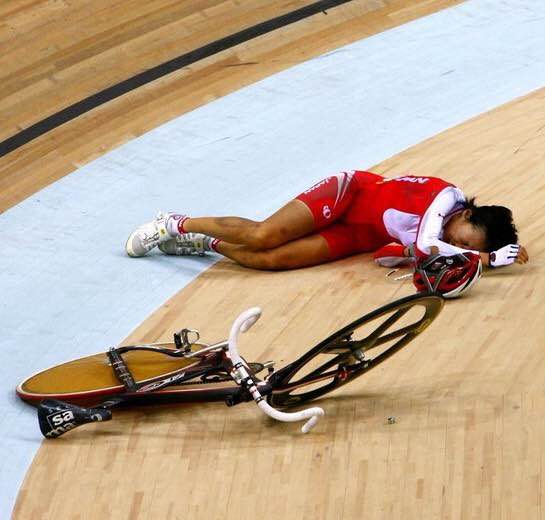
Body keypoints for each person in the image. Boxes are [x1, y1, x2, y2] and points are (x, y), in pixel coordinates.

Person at [125, 170, 529, 270]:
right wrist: (487, 260)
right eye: (465, 240)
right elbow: (425, 244)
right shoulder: (445, 197)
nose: (458, 247)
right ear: (468, 214)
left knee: (273, 260)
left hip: (359, 234)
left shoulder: (447, 240)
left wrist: (497, 254)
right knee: (264, 235)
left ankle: (204, 243)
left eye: (467, 249)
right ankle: (174, 223)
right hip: (347, 195)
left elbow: (384, 257)